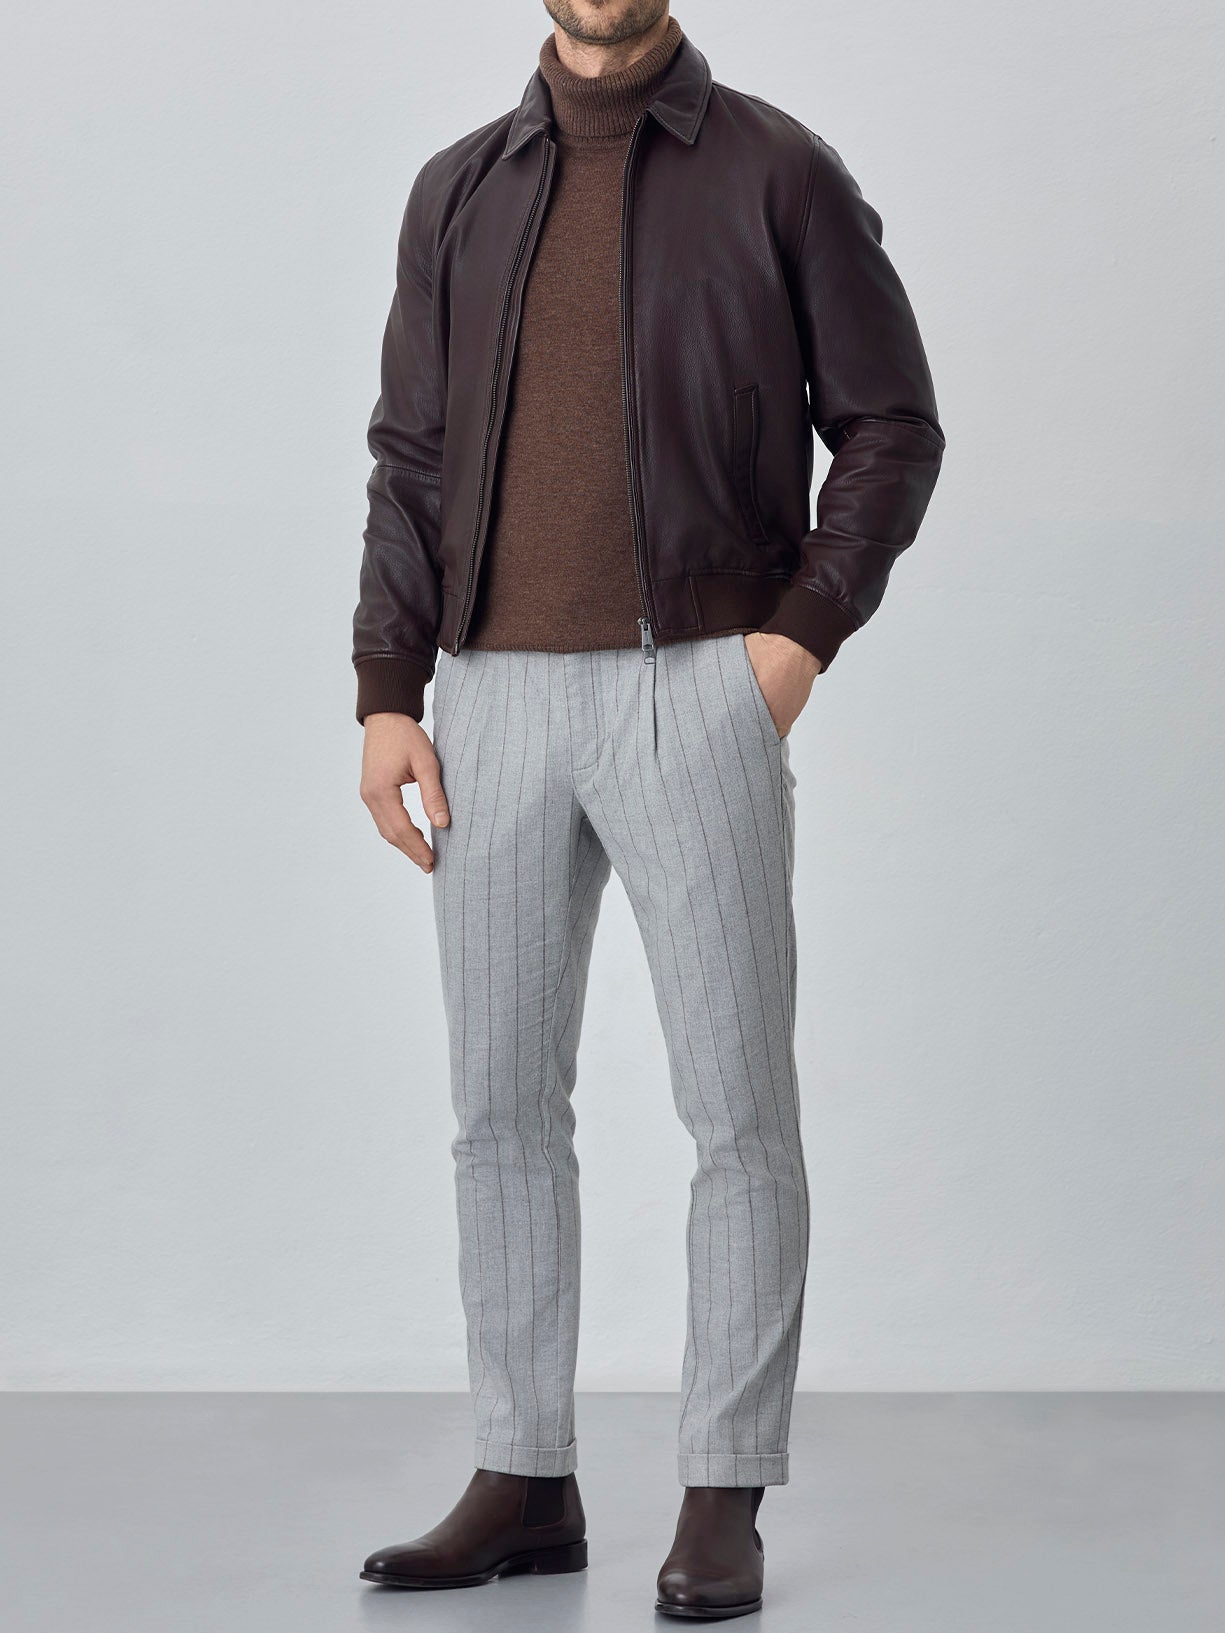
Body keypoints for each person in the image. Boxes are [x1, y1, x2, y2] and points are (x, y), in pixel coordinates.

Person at [354, 2, 943, 1617]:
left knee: (735, 1111)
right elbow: (410, 456)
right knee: (496, 1109)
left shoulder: (776, 170)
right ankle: (522, 1475)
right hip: (487, 697)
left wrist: (790, 643)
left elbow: (890, 424)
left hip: (698, 682)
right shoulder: (457, 189)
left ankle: (721, 1489)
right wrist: (388, 689)